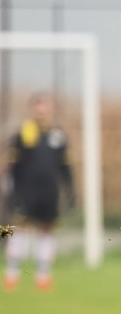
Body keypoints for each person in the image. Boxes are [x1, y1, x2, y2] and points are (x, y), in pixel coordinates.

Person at [4, 92, 74, 291]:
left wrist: (71, 191)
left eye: (45, 107)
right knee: (21, 230)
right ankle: (12, 274)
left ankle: (43, 276)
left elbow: (65, 167)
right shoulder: (24, 134)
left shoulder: (57, 136)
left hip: (49, 192)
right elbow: (13, 167)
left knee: (46, 230)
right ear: (32, 110)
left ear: (50, 110)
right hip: (27, 191)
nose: (41, 111)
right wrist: (12, 191)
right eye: (37, 107)